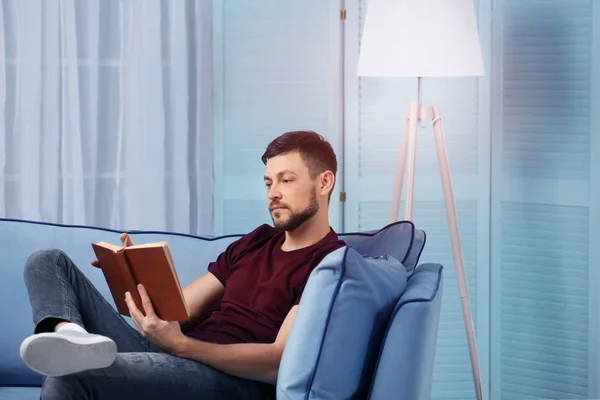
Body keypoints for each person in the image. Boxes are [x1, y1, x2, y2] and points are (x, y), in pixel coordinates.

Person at [19, 130, 346, 400]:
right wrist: (133, 272)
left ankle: (77, 353)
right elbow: (178, 310)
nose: (273, 193)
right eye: (268, 183)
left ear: (324, 182)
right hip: (175, 355)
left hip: (230, 381)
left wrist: (185, 347)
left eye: (286, 180)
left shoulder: (328, 261)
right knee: (48, 262)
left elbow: (277, 361)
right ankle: (72, 336)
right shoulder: (258, 240)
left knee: (69, 379)